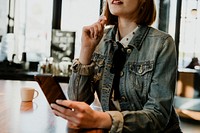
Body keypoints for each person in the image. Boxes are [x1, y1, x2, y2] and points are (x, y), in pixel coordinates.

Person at [51, 0, 182, 132]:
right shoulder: (99, 39)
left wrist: (100, 119)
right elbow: (78, 100)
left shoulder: (162, 43)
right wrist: (86, 49)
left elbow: (158, 116)